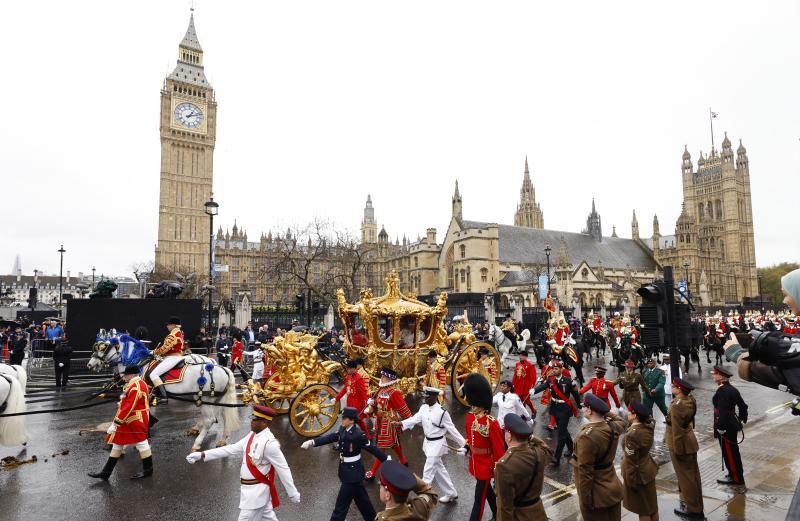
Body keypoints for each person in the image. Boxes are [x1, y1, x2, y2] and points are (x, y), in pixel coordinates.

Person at [186, 405, 300, 521]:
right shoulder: (252, 435)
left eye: (255, 420)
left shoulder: (270, 444)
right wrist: (202, 454)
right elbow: (231, 449)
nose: (251, 422)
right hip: (249, 491)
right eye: (252, 418)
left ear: (265, 422)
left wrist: (292, 493)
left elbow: (283, 469)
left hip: (256, 494)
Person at [301, 407, 387, 521]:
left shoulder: (358, 435)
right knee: (364, 504)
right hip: (348, 471)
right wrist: (313, 442)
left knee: (340, 509)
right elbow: (332, 437)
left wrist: (387, 461)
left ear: (351, 420)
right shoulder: (343, 428)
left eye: (344, 418)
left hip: (352, 475)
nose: (342, 420)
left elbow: (373, 449)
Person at [400, 387, 465, 503]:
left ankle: (421, 502)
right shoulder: (424, 408)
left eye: (428, 397)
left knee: (427, 472)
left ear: (435, 397)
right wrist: (401, 423)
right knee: (439, 470)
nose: (425, 399)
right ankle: (451, 493)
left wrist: (465, 444)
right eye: (425, 397)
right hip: (428, 443)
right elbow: (415, 419)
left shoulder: (442, 412)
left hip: (438, 444)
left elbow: (452, 429)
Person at [89, 365, 153, 480]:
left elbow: (129, 407)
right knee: (118, 443)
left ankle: (148, 470)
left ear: (132, 375)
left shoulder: (136, 386)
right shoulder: (135, 384)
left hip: (134, 419)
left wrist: (115, 424)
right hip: (130, 419)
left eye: (125, 375)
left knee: (141, 443)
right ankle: (106, 472)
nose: (124, 377)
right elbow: (124, 398)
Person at [570, 393, 625, 521]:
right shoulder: (613, 427)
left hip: (597, 495)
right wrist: (605, 412)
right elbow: (621, 421)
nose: (583, 409)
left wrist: (586, 500)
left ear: (589, 410)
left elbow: (585, 472)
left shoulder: (586, 437)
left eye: (584, 407)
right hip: (612, 487)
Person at [459, 373, 505, 521]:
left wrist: (498, 470)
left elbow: (499, 450)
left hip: (486, 465)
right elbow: (470, 438)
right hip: (476, 462)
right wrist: (466, 448)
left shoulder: (491, 423)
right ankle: (497, 513)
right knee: (487, 492)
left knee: (479, 499)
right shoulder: (470, 416)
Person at [493, 413, 551, 521]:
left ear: (509, 436)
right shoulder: (538, 452)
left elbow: (505, 508)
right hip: (539, 513)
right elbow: (546, 449)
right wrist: (531, 437)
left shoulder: (504, 465)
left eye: (505, 431)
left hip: (520, 516)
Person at [666, 378, 704, 519]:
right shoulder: (689, 400)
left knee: (686, 479)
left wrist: (678, 449)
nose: (671, 388)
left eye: (673, 386)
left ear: (679, 389)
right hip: (689, 441)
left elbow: (677, 430)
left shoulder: (677, 405)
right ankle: (697, 506)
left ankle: (693, 510)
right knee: (693, 477)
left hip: (681, 444)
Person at [531, 360, 581, 467]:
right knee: (562, 429)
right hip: (555, 407)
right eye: (553, 369)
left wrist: (579, 405)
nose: (554, 370)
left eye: (556, 368)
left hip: (564, 408)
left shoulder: (568, 381)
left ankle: (557, 457)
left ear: (561, 369)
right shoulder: (551, 379)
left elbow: (575, 394)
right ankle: (571, 447)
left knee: (561, 434)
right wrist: (534, 391)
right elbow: (543, 386)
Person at [365, 368, 412, 480]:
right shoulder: (381, 390)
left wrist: (408, 421)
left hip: (389, 422)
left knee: (381, 447)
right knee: (394, 443)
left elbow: (403, 408)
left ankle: (372, 472)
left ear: (390, 379)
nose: (381, 378)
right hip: (380, 421)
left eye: (384, 377)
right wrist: (372, 404)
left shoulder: (394, 392)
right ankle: (403, 460)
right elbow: (377, 404)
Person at [621, 400, 659, 521]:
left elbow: (631, 461)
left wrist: (631, 481)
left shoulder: (632, 435)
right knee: (652, 507)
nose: (627, 413)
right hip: (648, 469)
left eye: (629, 412)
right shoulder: (648, 426)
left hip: (638, 475)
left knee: (643, 510)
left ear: (635, 415)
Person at [711, 365, 748, 486]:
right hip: (731, 424)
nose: (713, 375)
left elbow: (723, 411)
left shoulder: (722, 391)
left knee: (729, 453)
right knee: (732, 452)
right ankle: (734, 473)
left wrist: (721, 427)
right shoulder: (732, 389)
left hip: (726, 427)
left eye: (715, 374)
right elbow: (743, 406)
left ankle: (736, 478)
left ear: (721, 377)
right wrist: (742, 419)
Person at [149, 316, 184, 404]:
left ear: (173, 325)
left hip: (172, 358)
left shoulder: (173, 335)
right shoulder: (178, 333)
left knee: (153, 374)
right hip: (173, 357)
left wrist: (153, 352)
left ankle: (164, 397)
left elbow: (164, 349)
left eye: (169, 325)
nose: (167, 326)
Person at [335, 360, 371, 436]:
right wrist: (337, 398)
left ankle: (342, 435)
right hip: (350, 403)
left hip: (356, 405)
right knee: (357, 421)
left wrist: (366, 405)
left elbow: (363, 393)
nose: (347, 370)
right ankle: (366, 436)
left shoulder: (359, 378)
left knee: (351, 420)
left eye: (349, 369)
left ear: (353, 369)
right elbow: (345, 388)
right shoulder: (349, 376)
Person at [512, 350, 537, 416]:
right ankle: (524, 413)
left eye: (522, 355)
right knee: (521, 400)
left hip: (526, 385)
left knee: (527, 400)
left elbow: (533, 377)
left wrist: (532, 387)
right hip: (518, 384)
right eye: (520, 355)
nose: (520, 356)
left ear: (526, 357)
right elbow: (515, 375)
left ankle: (533, 410)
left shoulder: (530, 365)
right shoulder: (517, 364)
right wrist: (513, 384)